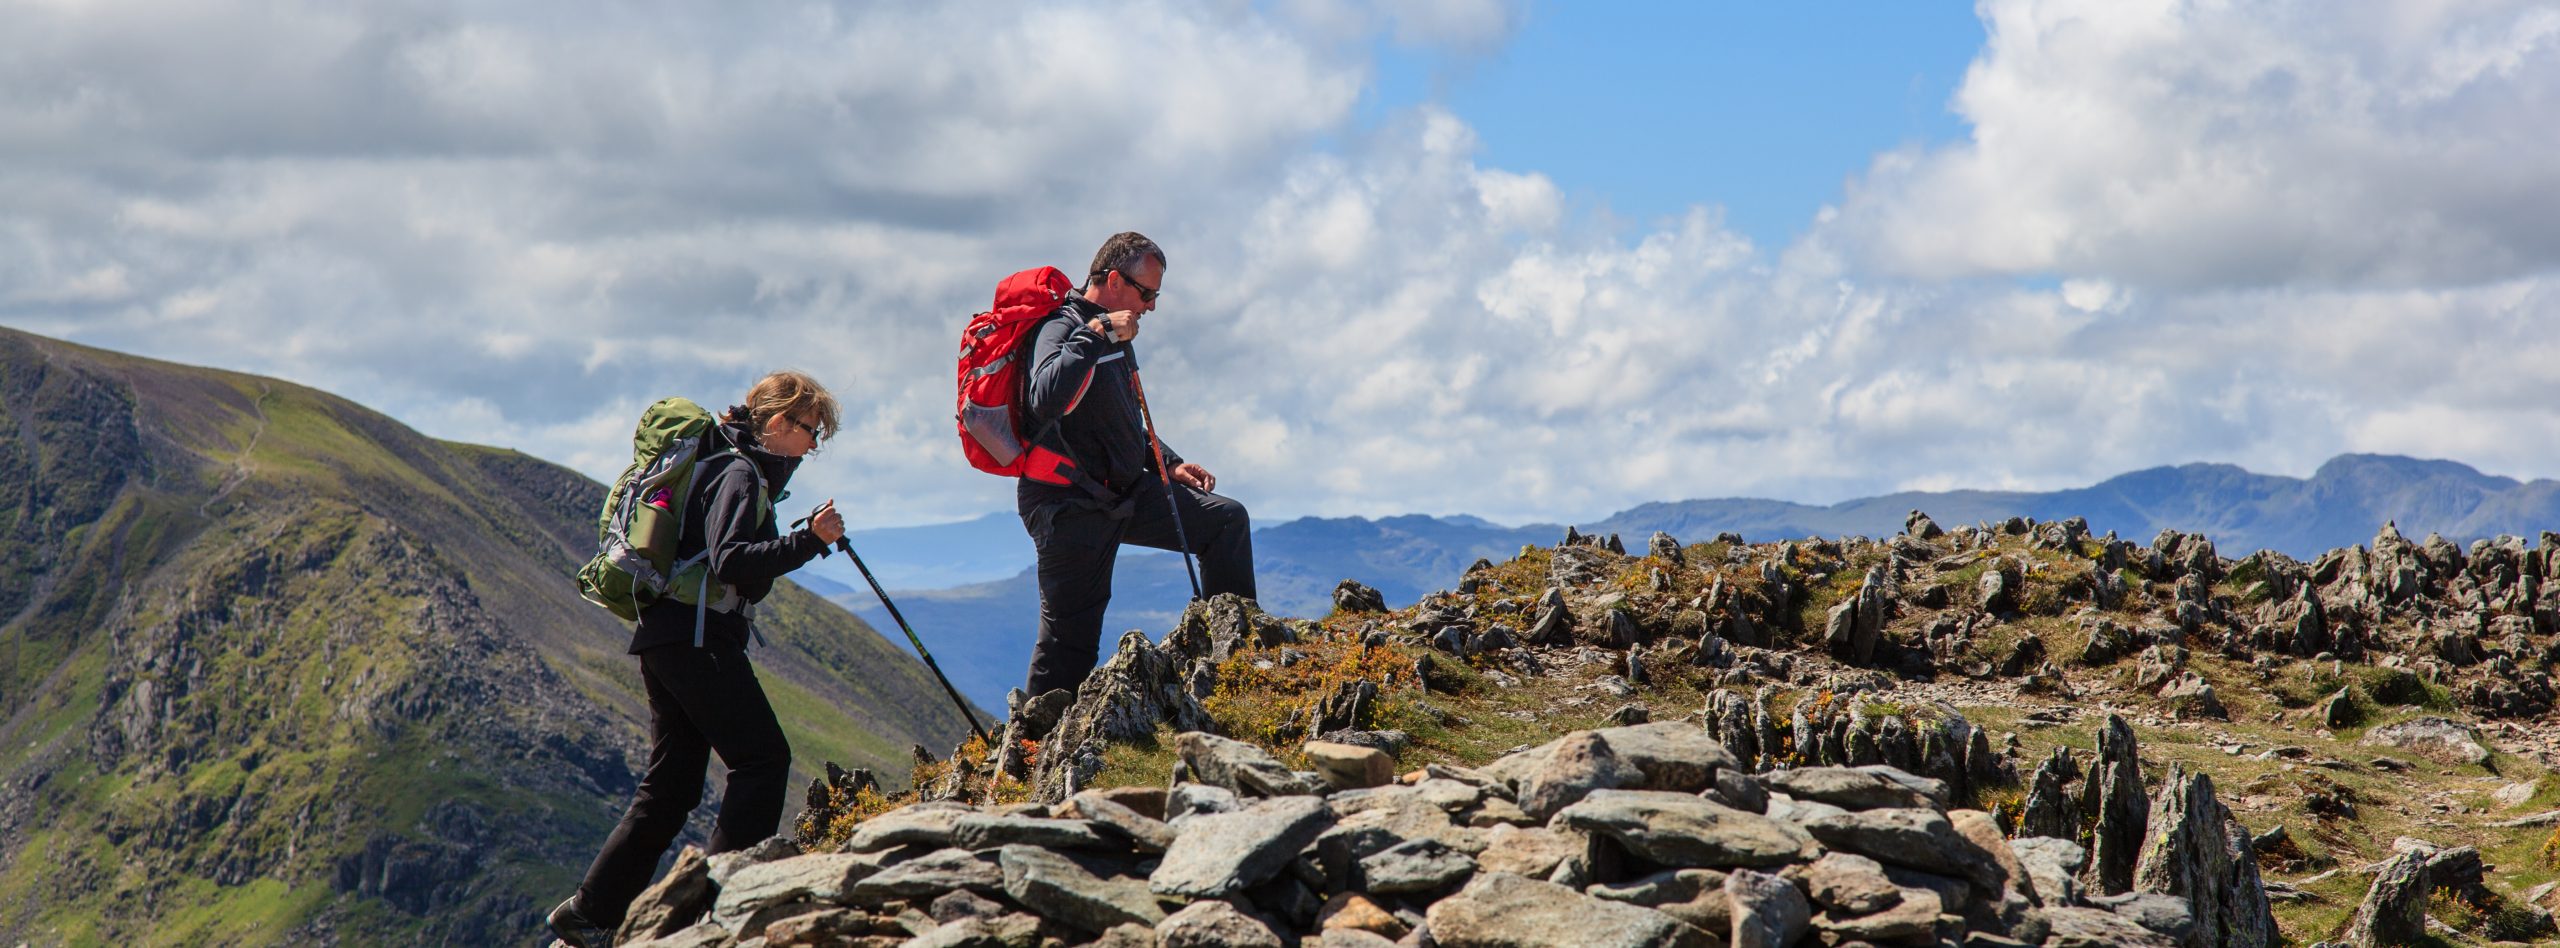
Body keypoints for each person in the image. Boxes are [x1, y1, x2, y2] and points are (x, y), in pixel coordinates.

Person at [549, 371, 846, 947]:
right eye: (811, 431)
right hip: (697, 637)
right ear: (780, 423)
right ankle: (722, 906)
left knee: (673, 785)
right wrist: (811, 539)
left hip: (667, 635)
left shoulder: (726, 466)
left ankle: (590, 913)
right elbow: (733, 560)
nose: (813, 446)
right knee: (762, 760)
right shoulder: (738, 472)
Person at [1015, 231, 1256, 697]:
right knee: (1070, 642)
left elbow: (1122, 422)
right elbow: (1044, 399)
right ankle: (1032, 746)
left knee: (1225, 521)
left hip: (1123, 491)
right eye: (1146, 293)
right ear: (1112, 279)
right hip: (1068, 506)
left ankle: (1236, 667)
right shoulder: (1062, 327)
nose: (1150, 306)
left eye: (1155, 296)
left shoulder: (1112, 331)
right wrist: (1099, 332)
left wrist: (1170, 462)